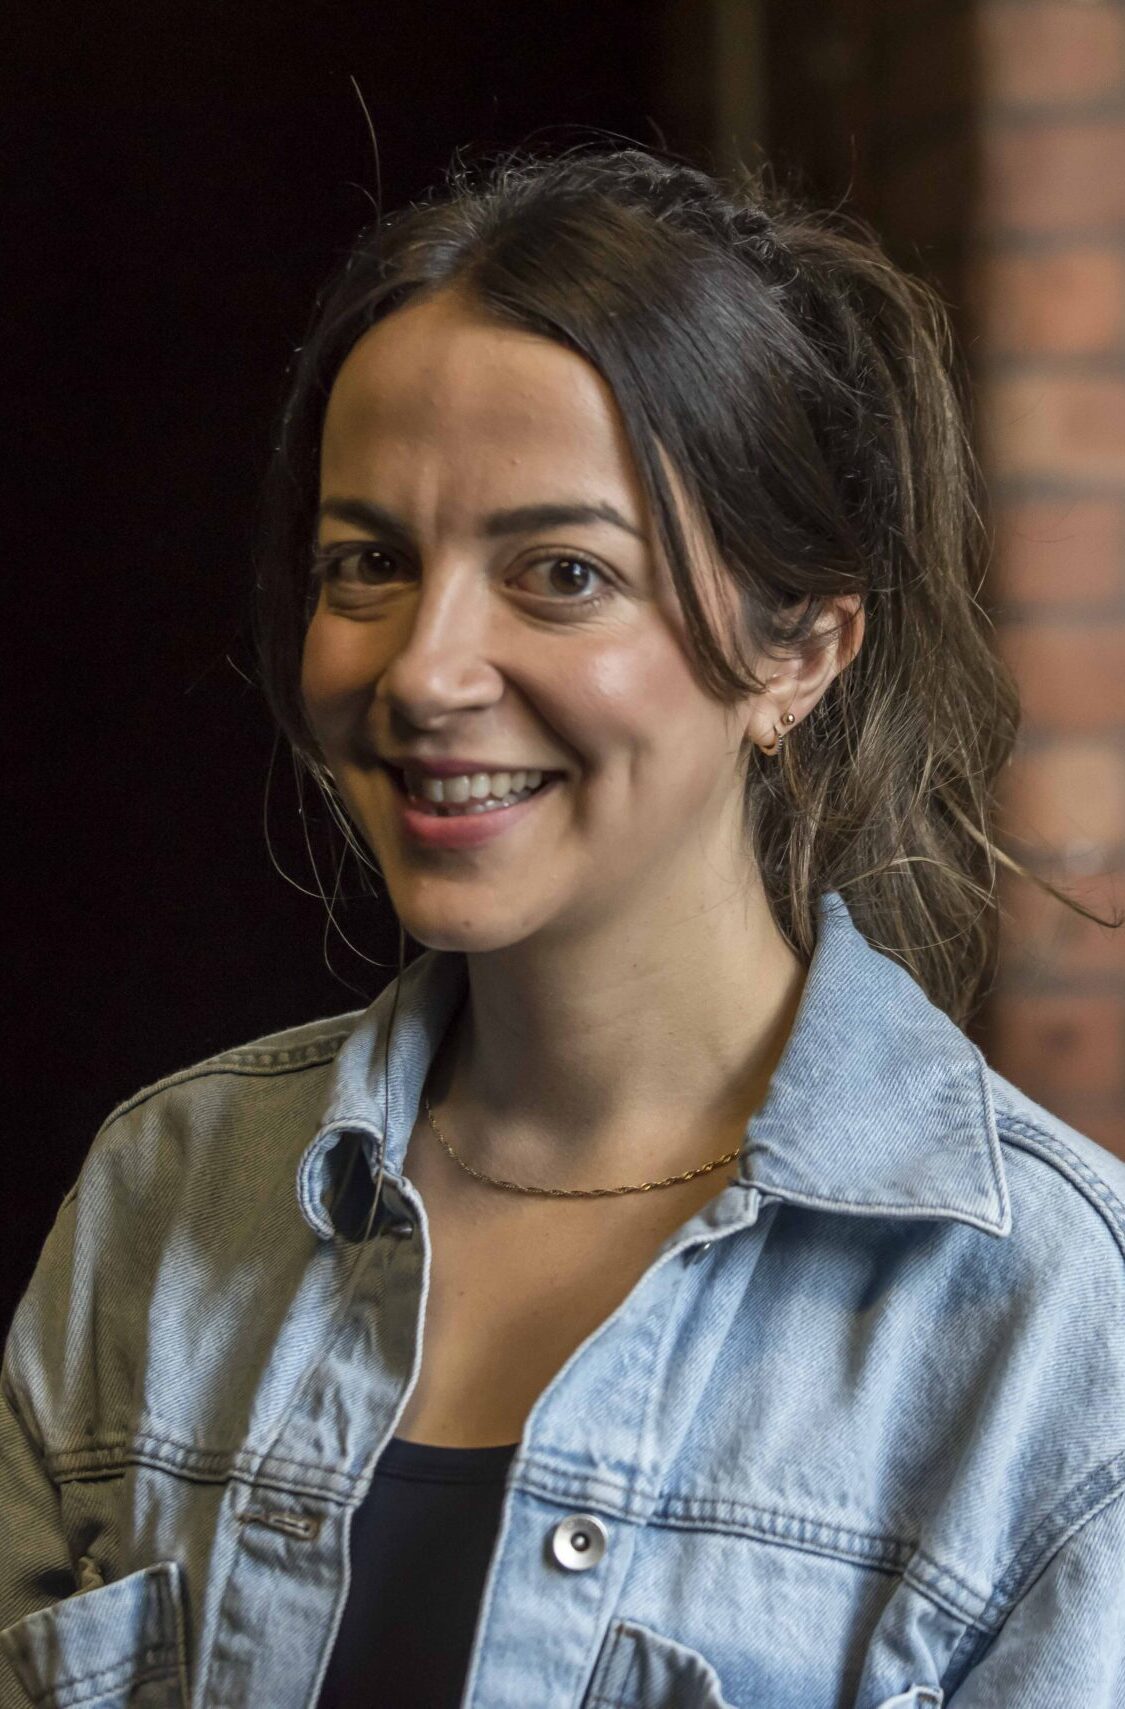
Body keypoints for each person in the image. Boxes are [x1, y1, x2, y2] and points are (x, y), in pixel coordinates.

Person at [1, 141, 1122, 1709]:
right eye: (370, 562)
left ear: (795, 651)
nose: (423, 670)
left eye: (561, 572)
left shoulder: (1055, 1331)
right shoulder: (164, 1200)